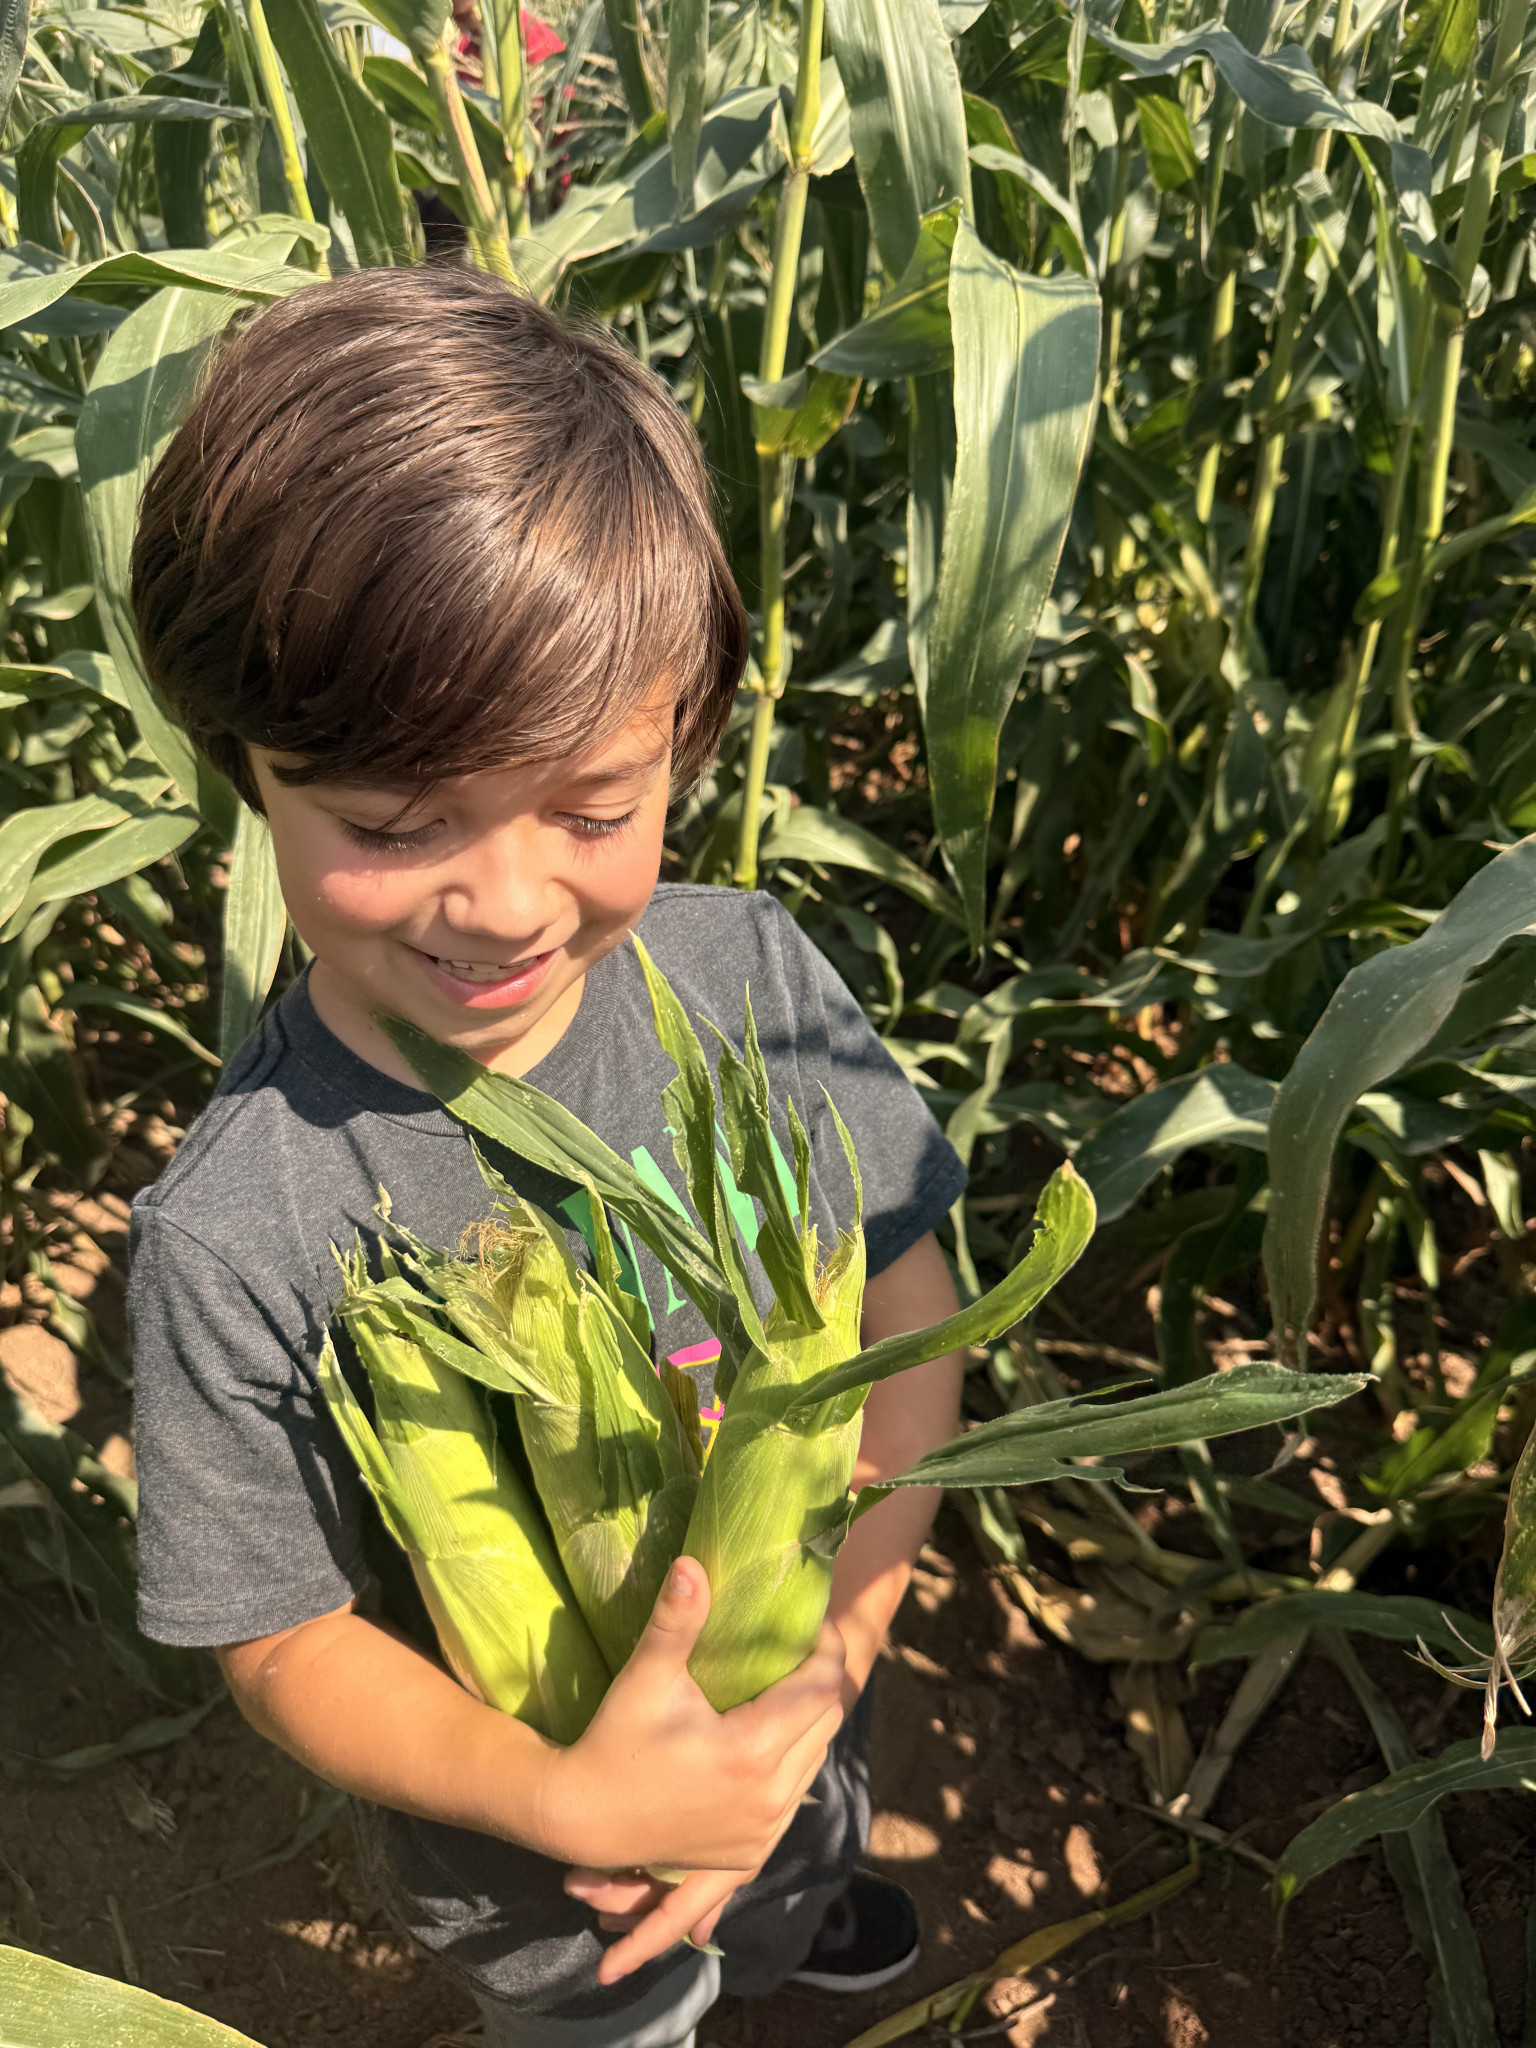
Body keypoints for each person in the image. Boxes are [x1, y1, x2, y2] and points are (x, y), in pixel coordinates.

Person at [127, 266, 967, 2048]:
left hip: (806, 1731)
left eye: (594, 808)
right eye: (392, 822)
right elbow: (275, 1639)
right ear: (246, 767)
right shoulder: (241, 1222)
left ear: (688, 739)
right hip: (542, 1885)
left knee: (794, 1874)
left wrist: (829, 1668)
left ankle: (794, 1917)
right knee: (623, 2016)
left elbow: (912, 1318)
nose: (506, 902)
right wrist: (566, 1800)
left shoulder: (752, 988)